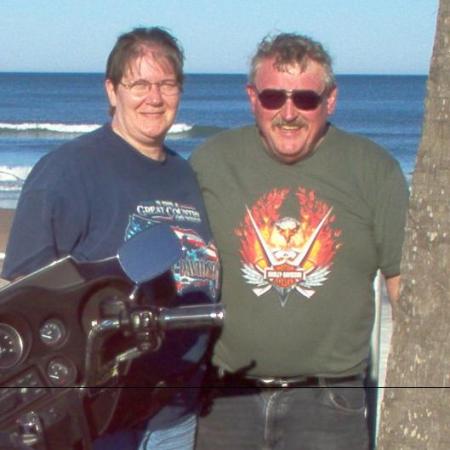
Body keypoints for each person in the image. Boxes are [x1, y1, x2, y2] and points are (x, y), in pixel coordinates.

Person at [2, 27, 220, 449]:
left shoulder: (185, 173)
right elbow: (22, 300)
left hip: (175, 411)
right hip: (98, 417)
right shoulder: (66, 172)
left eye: (166, 84)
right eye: (139, 84)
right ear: (112, 90)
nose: (154, 98)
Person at [190, 33, 408, 450]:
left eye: (305, 99)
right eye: (274, 97)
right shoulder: (211, 162)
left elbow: (402, 289)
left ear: (331, 99)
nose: (288, 113)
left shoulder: (374, 170)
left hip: (329, 404)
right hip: (227, 399)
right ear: (252, 98)